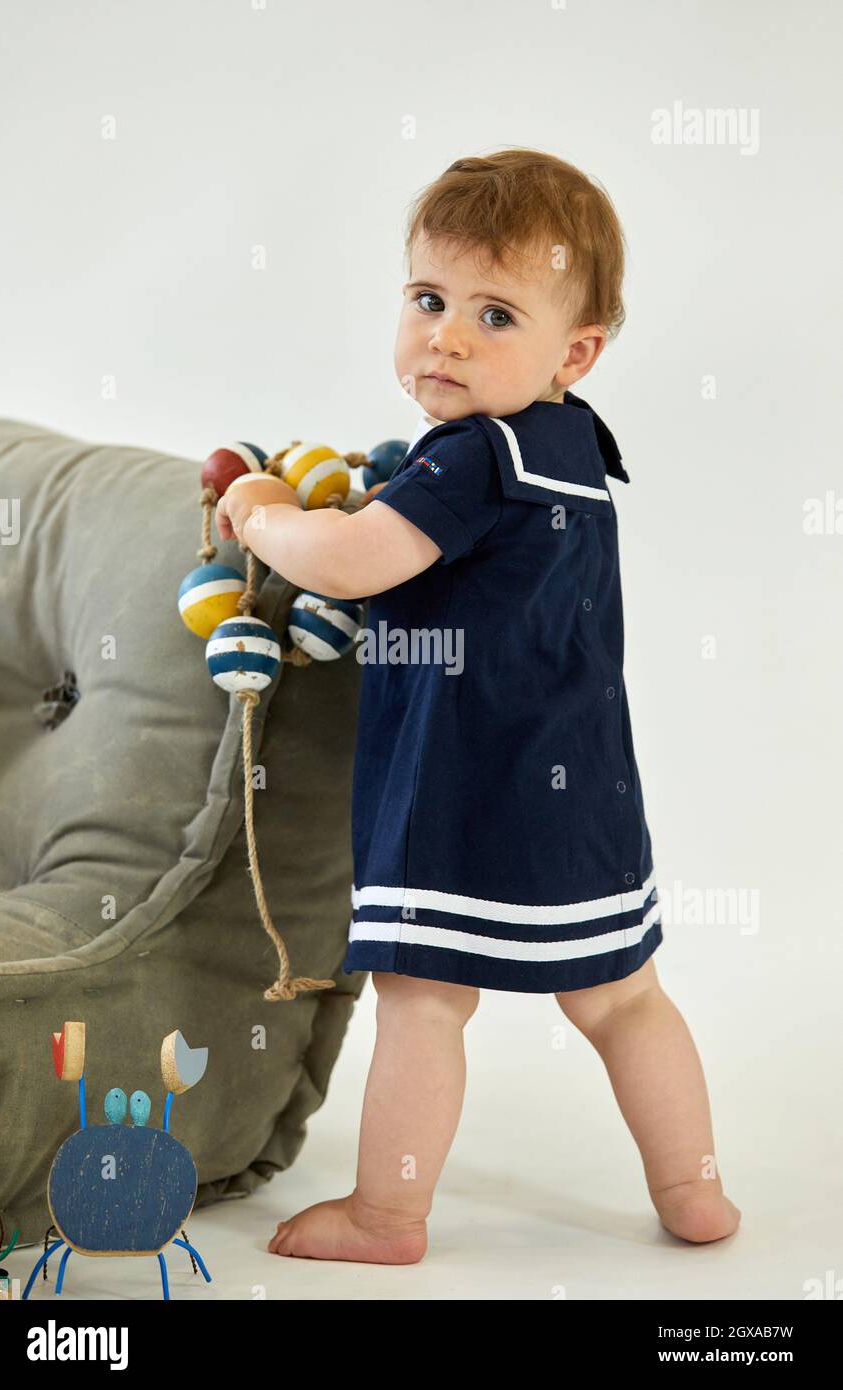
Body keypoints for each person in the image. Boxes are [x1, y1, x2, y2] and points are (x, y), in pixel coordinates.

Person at [216, 148, 741, 1264]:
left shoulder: (472, 459)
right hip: (584, 797)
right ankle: (693, 1191)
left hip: (462, 793)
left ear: (574, 350)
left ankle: (386, 1213)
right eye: (427, 299)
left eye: (493, 313)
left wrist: (260, 513)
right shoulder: (573, 447)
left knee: (419, 996)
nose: (446, 335)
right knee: (622, 1000)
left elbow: (354, 559)